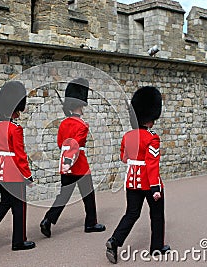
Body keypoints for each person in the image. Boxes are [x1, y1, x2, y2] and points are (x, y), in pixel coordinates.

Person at [105, 86, 170, 264]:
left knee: (131, 213)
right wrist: (155, 188)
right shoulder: (152, 137)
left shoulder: (128, 136)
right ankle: (157, 247)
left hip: (132, 181)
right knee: (157, 215)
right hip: (149, 182)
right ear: (151, 118)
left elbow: (124, 158)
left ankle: (115, 240)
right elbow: (152, 165)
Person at [40, 78, 106, 238]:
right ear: (80, 105)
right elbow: (77, 144)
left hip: (65, 163)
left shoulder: (63, 124)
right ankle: (90, 223)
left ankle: (48, 219)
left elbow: (59, 143)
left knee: (64, 195)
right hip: (80, 164)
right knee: (88, 195)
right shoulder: (82, 125)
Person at [0, 81, 36, 251]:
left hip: (0, 172)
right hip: (14, 172)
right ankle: (19, 241)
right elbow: (20, 156)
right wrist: (27, 176)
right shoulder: (15, 129)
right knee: (19, 206)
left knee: (4, 203)